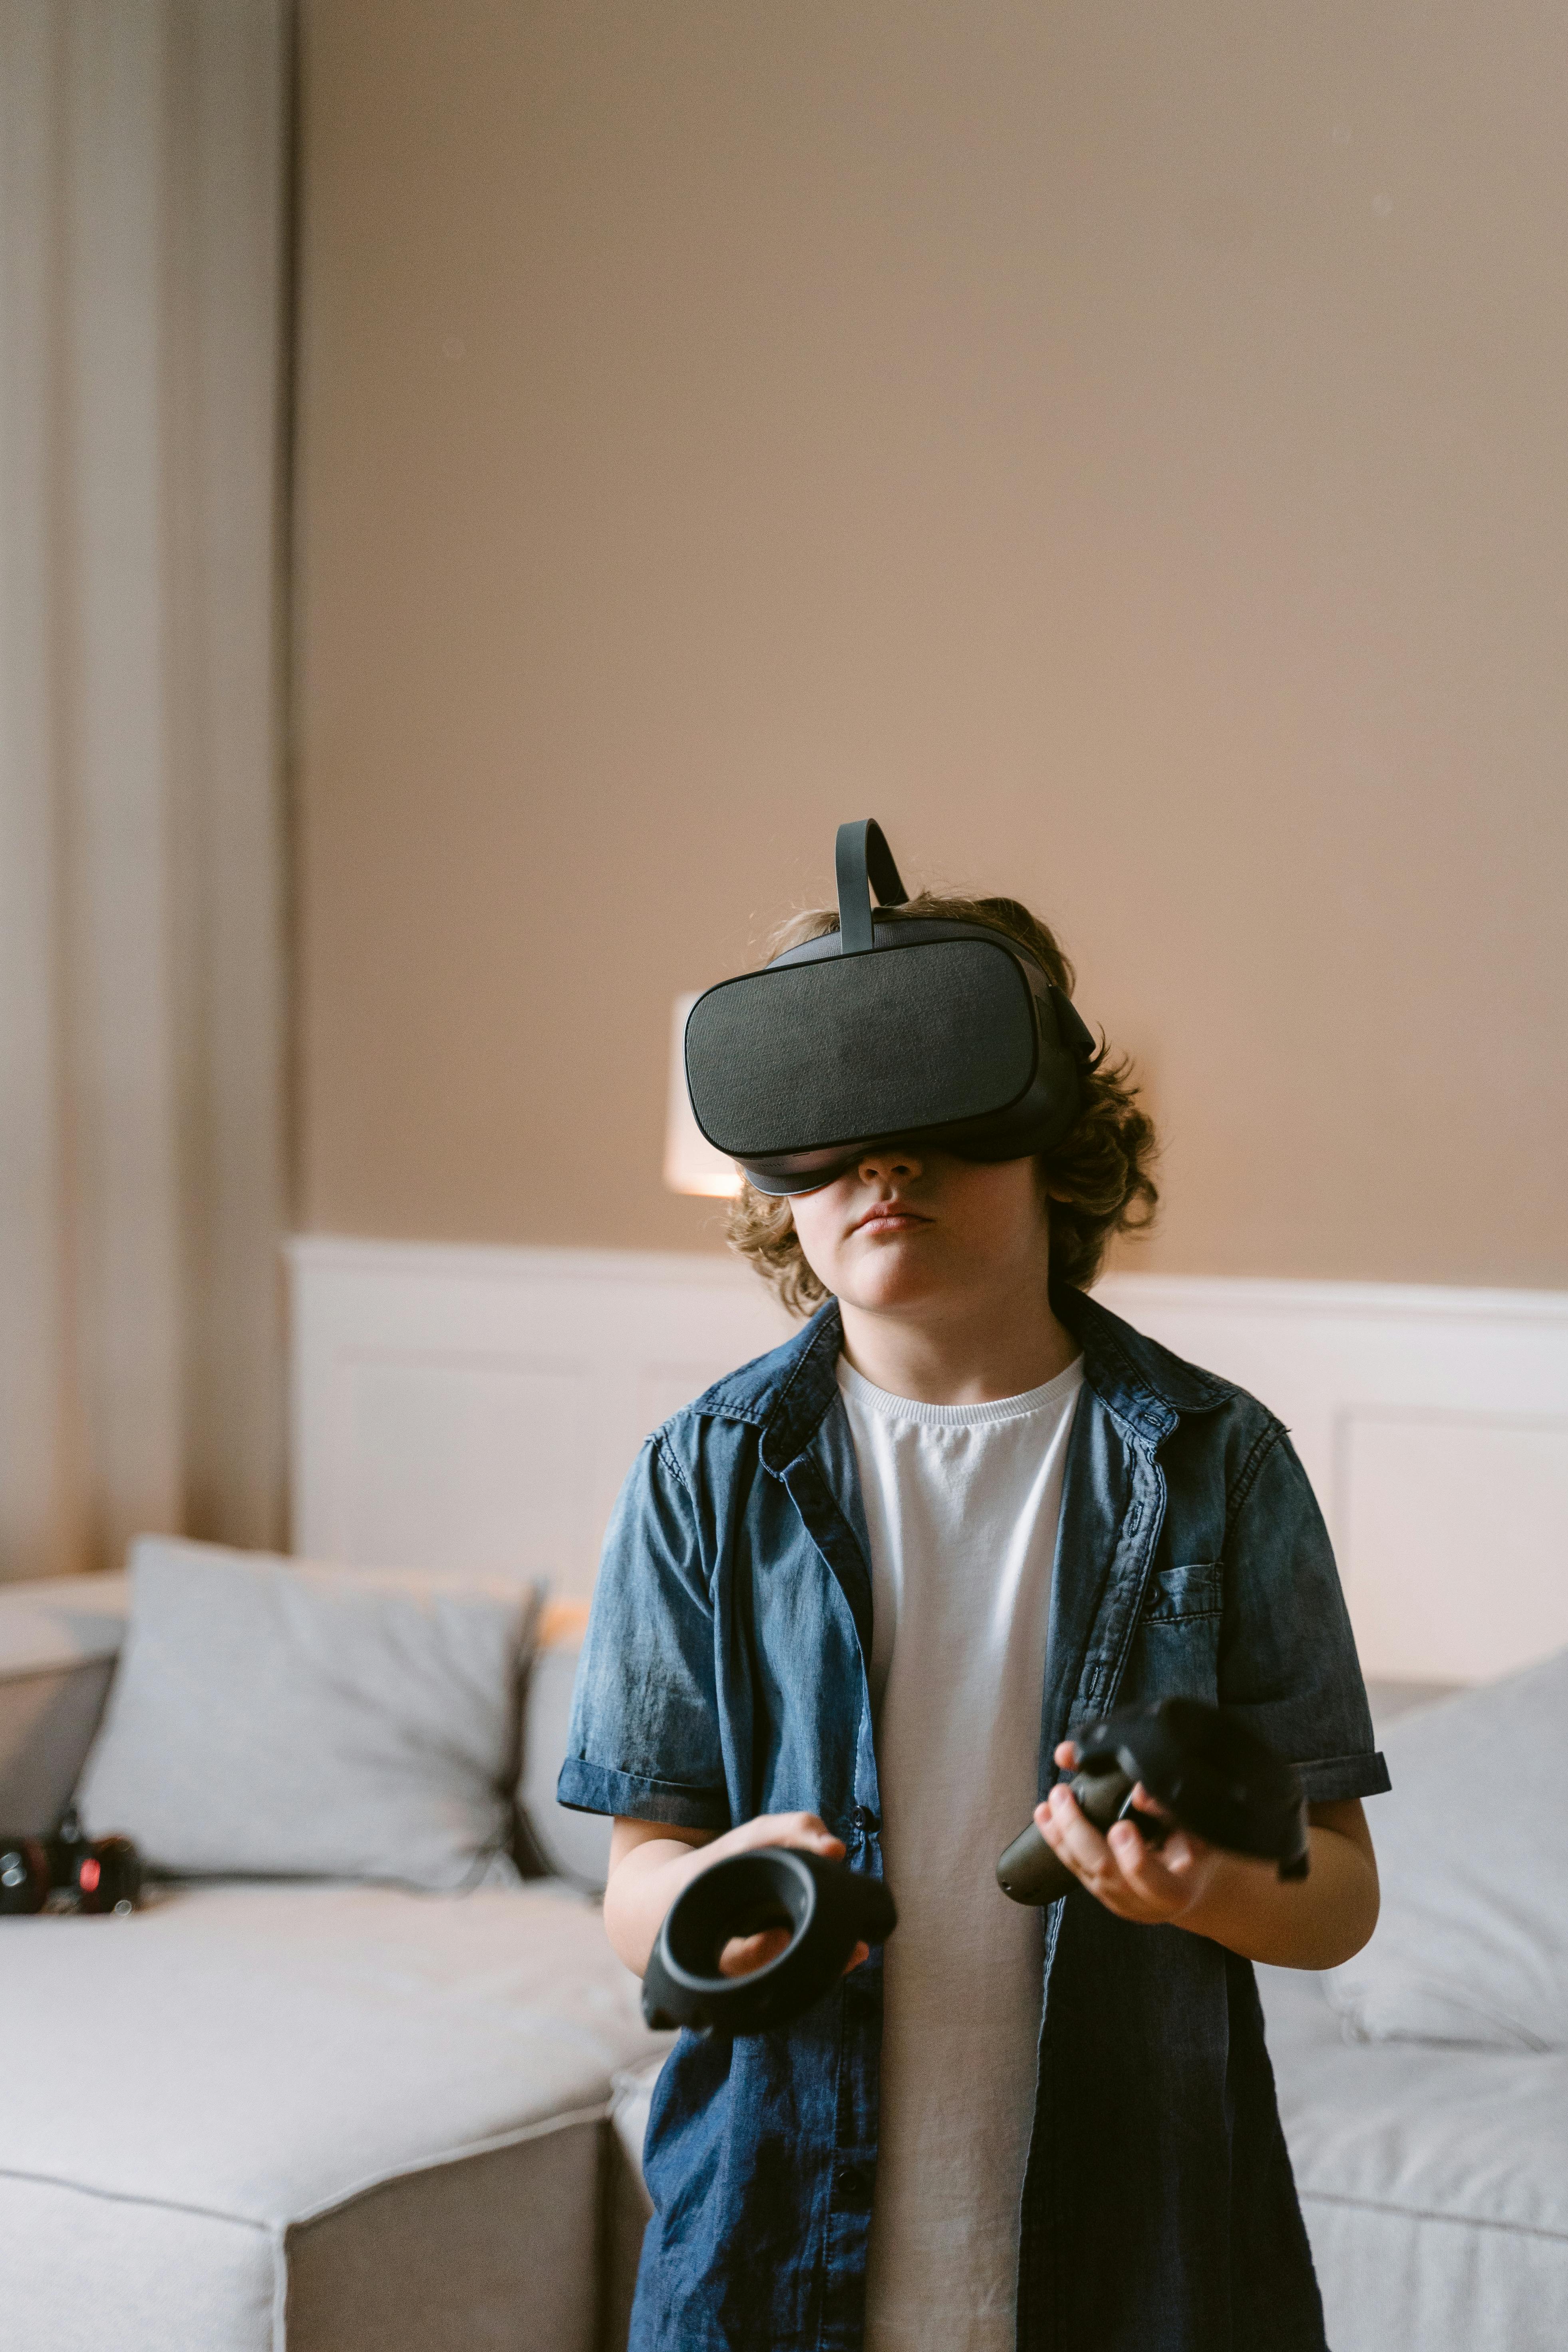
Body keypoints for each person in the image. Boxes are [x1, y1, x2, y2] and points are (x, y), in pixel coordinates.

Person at [559, 875, 1387, 2352]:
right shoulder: (702, 1477)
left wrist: (1203, 1890)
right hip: (770, 2237)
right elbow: (638, 1885)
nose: (886, 1164)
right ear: (775, 1182)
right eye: (829, 1125)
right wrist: (706, 1893)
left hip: (1154, 2253)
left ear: (1059, 1137)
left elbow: (1338, 1898)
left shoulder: (1220, 1462)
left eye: (945, 1110)